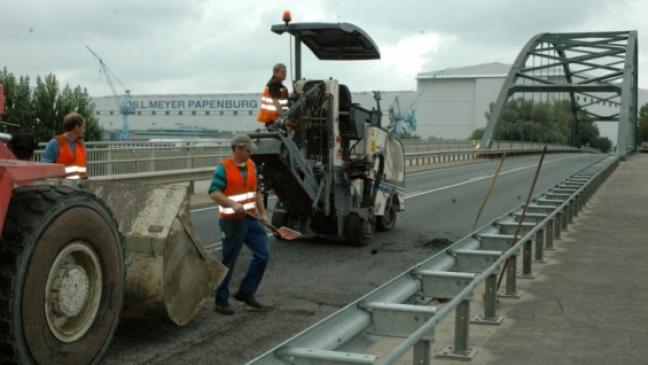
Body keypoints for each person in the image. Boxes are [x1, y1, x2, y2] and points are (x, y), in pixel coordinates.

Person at [209, 134, 270, 315]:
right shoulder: (224, 168)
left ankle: (246, 292)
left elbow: (256, 191)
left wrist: (263, 213)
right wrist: (232, 204)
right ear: (237, 149)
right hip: (232, 222)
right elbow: (213, 192)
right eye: (248, 150)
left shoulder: (251, 166)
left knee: (263, 255)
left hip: (252, 220)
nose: (251, 152)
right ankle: (221, 301)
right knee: (229, 261)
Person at [42, 112, 87, 178]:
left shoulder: (81, 145)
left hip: (79, 187)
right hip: (60, 187)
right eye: (83, 127)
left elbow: (83, 169)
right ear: (77, 127)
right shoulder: (54, 144)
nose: (84, 130)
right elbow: (46, 170)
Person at [257, 63, 289, 129]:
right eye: (282, 72)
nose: (285, 74)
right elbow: (276, 102)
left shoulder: (275, 84)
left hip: (274, 119)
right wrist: (285, 118)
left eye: (285, 72)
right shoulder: (274, 84)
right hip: (274, 120)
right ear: (275, 72)